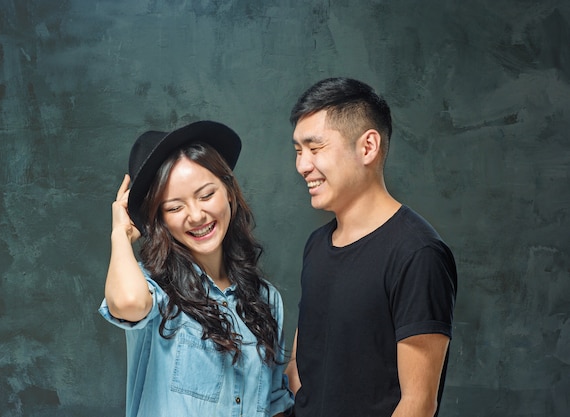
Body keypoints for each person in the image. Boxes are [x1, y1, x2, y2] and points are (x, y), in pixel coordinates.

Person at [284, 78, 458, 417]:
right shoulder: (316, 245)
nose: (302, 165)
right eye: (298, 151)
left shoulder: (417, 253)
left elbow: (418, 403)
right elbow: (299, 363)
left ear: (367, 147)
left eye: (314, 148)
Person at [99, 121, 294, 417]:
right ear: (160, 219)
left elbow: (275, 402)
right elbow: (127, 303)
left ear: (229, 191)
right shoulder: (154, 289)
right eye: (175, 207)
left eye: (205, 195)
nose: (196, 215)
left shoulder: (266, 300)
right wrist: (120, 233)